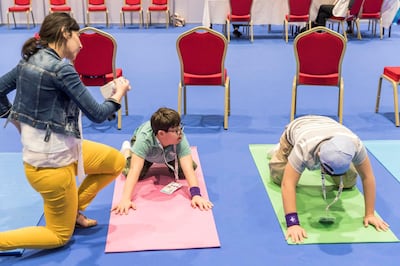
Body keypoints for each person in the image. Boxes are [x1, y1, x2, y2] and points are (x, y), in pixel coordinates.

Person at [0, 12, 130, 251]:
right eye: (78, 36)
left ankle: (73, 210)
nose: (81, 44)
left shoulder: (30, 59)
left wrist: (13, 118)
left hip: (62, 149)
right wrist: (118, 94)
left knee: (115, 162)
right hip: (52, 167)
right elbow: (99, 114)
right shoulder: (62, 70)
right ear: (64, 33)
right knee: (59, 236)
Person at [268, 115, 389, 244]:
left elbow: (367, 177)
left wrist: (370, 214)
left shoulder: (355, 145)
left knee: (348, 182)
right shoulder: (304, 147)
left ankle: (335, 166)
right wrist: (292, 223)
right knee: (279, 177)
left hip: (330, 127)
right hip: (298, 130)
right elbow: (288, 184)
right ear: (319, 156)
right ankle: (278, 149)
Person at [112, 107, 213, 214]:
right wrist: (125, 199)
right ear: (161, 133)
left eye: (180, 127)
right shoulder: (144, 139)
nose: (180, 132)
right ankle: (127, 150)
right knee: (130, 173)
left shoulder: (180, 137)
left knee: (185, 172)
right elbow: (134, 170)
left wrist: (196, 195)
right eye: (175, 130)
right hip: (148, 155)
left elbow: (188, 167)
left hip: (170, 153)